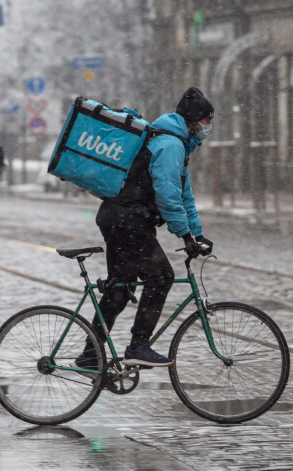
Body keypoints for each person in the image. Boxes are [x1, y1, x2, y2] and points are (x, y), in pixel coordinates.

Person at [76, 87, 215, 369]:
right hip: (128, 220)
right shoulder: (170, 146)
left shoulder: (176, 143)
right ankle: (139, 345)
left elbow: (184, 195)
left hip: (120, 218)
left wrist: (196, 233)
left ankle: (90, 354)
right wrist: (184, 235)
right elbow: (167, 195)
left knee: (119, 287)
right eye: (206, 121)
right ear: (192, 120)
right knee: (161, 276)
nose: (207, 128)